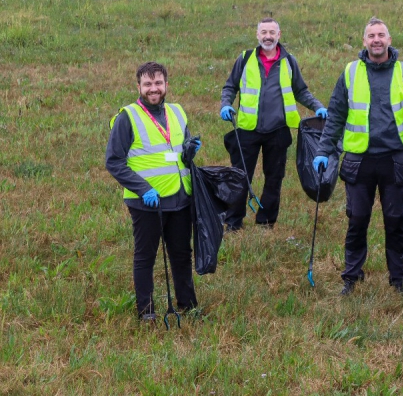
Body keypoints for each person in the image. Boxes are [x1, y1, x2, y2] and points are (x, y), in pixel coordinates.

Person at [312, 17, 403, 296]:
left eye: (381, 35)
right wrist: (323, 151)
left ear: (389, 40)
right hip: (358, 161)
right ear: (364, 42)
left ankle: (399, 280)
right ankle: (351, 277)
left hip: (395, 160)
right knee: (357, 220)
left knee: (396, 221)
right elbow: (336, 115)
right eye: (371, 36)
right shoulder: (351, 72)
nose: (376, 40)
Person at [106, 61, 199, 321]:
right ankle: (146, 312)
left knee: (182, 255)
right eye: (147, 84)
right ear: (139, 87)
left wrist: (189, 153)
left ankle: (188, 306)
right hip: (147, 203)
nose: (153, 89)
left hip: (180, 198)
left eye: (158, 83)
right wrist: (143, 188)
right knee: (145, 257)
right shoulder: (128, 116)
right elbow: (113, 161)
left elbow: (178, 153)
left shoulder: (178, 112)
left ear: (166, 85)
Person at [220, 18, 327, 229]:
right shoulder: (245, 58)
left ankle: (266, 222)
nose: (267, 36)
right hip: (247, 129)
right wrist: (225, 104)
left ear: (279, 35)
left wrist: (318, 107)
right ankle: (233, 223)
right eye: (263, 32)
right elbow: (230, 87)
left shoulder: (289, 61)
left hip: (278, 130)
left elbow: (301, 91)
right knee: (240, 177)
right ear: (257, 35)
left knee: (274, 178)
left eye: (272, 32)